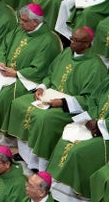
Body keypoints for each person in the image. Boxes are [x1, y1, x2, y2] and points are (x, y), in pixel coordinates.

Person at [7, 26, 106, 171]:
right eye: (71, 38)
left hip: (71, 108)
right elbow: (50, 73)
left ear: (87, 44)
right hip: (50, 96)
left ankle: (39, 165)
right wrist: (42, 87)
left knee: (44, 119)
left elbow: (91, 99)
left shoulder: (96, 67)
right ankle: (25, 154)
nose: (71, 42)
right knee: (18, 104)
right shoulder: (66, 52)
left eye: (76, 41)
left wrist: (63, 103)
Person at [0, 3, 61, 144]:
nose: (20, 23)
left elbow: (40, 68)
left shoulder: (48, 41)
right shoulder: (19, 30)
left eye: (24, 21)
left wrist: (17, 73)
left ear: (36, 22)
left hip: (27, 78)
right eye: (20, 19)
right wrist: (1, 63)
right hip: (6, 71)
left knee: (4, 96)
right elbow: (4, 46)